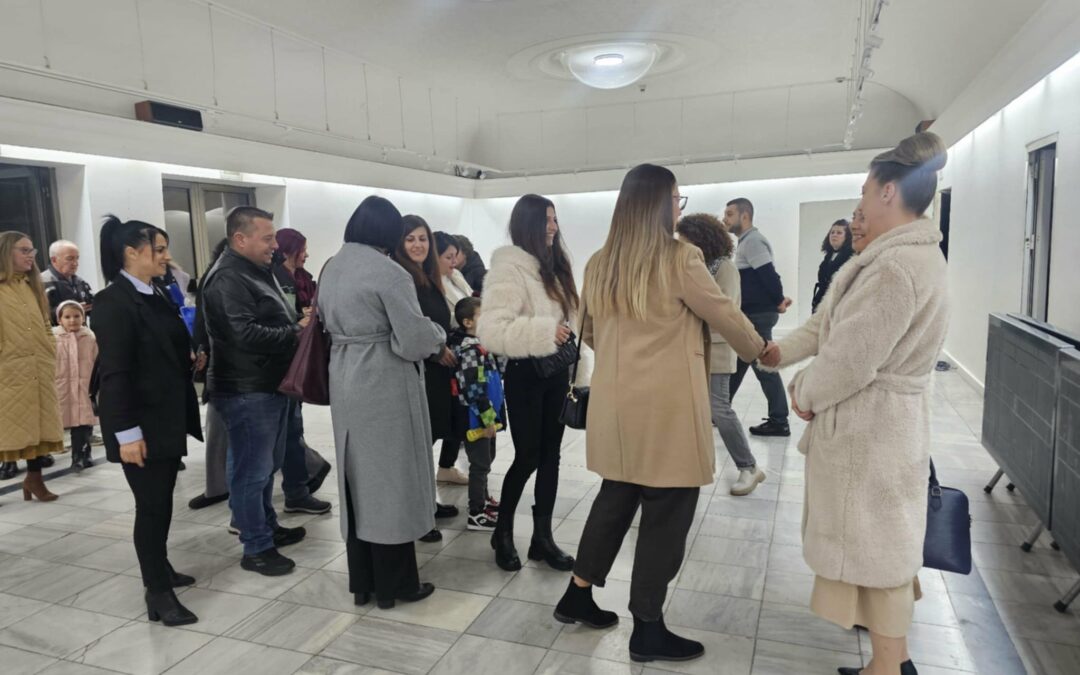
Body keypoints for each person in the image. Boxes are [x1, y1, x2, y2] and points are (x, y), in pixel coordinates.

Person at [551, 165, 767, 664]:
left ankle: (577, 594)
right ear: (659, 204)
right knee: (667, 513)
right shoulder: (680, 258)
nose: (679, 207)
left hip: (615, 406)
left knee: (615, 497)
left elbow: (588, 331)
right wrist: (761, 350)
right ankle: (647, 628)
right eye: (676, 198)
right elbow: (724, 315)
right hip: (667, 409)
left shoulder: (600, 262)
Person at [760, 132, 950, 675]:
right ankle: (893, 661)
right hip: (884, 427)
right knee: (883, 546)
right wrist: (780, 353)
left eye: (866, 190)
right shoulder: (901, 256)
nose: (861, 202)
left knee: (879, 551)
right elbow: (829, 325)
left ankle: (888, 668)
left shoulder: (893, 268)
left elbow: (850, 359)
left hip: (873, 431)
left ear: (888, 191)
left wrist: (802, 391)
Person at [319, 195, 444, 609]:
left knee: (357, 480)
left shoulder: (332, 266)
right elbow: (413, 342)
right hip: (383, 381)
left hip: (344, 376)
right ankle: (397, 584)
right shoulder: (390, 273)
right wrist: (438, 333)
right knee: (391, 482)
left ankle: (364, 582)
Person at [93, 216, 203, 626]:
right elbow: (115, 374)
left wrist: (187, 357)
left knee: (161, 501)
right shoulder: (113, 302)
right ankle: (157, 592)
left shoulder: (154, 291)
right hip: (140, 423)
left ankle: (161, 567)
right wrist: (127, 434)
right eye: (158, 249)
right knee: (152, 507)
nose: (166, 257)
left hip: (165, 417)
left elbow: (160, 345)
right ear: (131, 253)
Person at [478, 193, 581, 573]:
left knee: (551, 457)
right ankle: (502, 532)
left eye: (555, 219)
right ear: (528, 224)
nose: (553, 226)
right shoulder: (509, 269)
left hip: (556, 373)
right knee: (528, 456)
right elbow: (491, 330)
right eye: (546, 220)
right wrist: (543, 331)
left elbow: (572, 319)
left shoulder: (556, 266)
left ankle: (542, 537)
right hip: (525, 375)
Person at [202, 206, 307, 577]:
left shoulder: (253, 270)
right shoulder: (227, 277)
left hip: (266, 384)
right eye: (267, 238)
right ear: (240, 239)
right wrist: (295, 333)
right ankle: (256, 547)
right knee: (252, 470)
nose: (275, 245)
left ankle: (267, 526)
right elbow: (243, 334)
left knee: (265, 468)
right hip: (245, 388)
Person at [676, 213, 765, 496]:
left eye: (685, 240)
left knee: (719, 410)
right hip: (689, 350)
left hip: (716, 350)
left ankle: (749, 467)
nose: (680, 245)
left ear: (701, 239)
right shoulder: (693, 267)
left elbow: (726, 312)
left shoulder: (725, 268)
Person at [395, 217, 464, 540]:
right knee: (416, 447)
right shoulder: (402, 278)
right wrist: (436, 349)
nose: (418, 245)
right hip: (417, 371)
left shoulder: (427, 276)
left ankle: (427, 505)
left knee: (427, 442)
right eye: (410, 239)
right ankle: (417, 517)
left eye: (422, 238)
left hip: (435, 373)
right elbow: (409, 329)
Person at [0, 232, 64, 499]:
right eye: (23, 250)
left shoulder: (32, 284)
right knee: (7, 429)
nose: (30, 256)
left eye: (32, 251)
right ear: (6, 252)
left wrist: (50, 349)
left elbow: (45, 323)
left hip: (39, 367)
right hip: (8, 371)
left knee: (37, 425)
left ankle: (34, 479)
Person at [723, 198, 792, 437]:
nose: (725, 219)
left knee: (764, 365)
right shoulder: (746, 242)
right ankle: (720, 409)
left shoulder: (752, 241)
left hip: (758, 315)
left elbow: (768, 274)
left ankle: (779, 420)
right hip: (753, 313)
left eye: (730, 214)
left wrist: (778, 300)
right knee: (739, 363)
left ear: (744, 216)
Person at [449, 297, 503, 531]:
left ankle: (484, 499)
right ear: (468, 322)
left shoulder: (481, 345)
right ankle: (476, 512)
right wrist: (488, 419)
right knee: (480, 464)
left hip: (487, 414)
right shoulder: (470, 350)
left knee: (486, 460)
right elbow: (473, 389)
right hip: (477, 418)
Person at [188, 238, 232, 510]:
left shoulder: (247, 273)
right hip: (223, 367)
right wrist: (202, 350)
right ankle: (217, 486)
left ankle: (309, 466)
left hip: (235, 370)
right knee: (218, 426)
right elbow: (203, 322)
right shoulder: (218, 276)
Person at [53, 301, 98, 472]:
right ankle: (43, 455)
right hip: (62, 387)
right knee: (63, 421)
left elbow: (97, 360)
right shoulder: (53, 338)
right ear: (59, 320)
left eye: (77, 316)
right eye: (67, 317)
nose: (72, 320)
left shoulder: (90, 337)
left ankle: (81, 456)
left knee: (84, 422)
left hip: (84, 387)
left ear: (83, 317)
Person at [41, 239, 95, 326]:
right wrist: (71, 310)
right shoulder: (41, 282)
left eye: (77, 258)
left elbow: (92, 308)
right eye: (70, 259)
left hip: (81, 332)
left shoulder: (80, 282)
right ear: (54, 260)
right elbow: (39, 314)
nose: (75, 263)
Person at [811, 218, 855, 312]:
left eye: (839, 233)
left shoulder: (851, 257)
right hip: (822, 304)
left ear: (847, 237)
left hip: (839, 305)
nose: (834, 235)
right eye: (832, 232)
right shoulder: (828, 257)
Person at [434, 231, 474, 326]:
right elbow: (442, 318)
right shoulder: (430, 284)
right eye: (449, 257)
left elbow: (472, 298)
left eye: (455, 256)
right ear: (434, 257)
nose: (455, 262)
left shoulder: (456, 274)